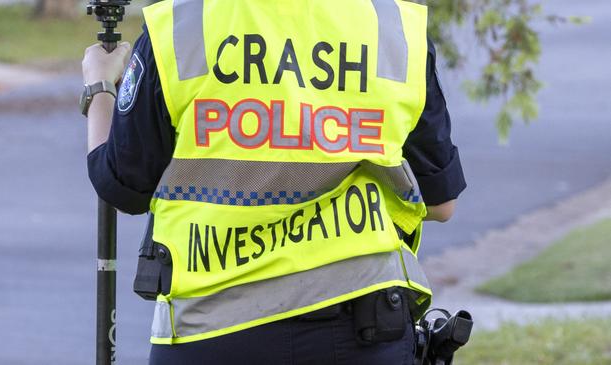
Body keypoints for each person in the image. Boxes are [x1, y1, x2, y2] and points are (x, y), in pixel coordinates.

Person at [82, 0, 466, 364]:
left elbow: (122, 186)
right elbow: (440, 203)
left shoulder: (181, 26)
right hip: (363, 330)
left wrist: (99, 86)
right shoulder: (393, 29)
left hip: (213, 333)